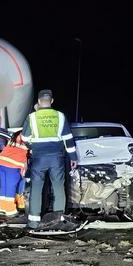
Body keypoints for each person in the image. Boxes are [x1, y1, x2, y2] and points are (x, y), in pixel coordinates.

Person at [21, 89, 78, 229]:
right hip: (56, 158)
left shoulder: (32, 117)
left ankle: (34, 221)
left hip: (39, 158)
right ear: (52, 101)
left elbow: (24, 138)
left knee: (36, 188)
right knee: (59, 187)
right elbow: (68, 139)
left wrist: (32, 144)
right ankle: (59, 220)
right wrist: (73, 157)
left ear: (39, 102)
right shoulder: (60, 116)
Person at [0, 130, 29, 217]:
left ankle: (2, 208)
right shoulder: (27, 136)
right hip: (13, 165)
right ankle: (10, 210)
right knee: (11, 187)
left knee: (4, 186)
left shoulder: (15, 136)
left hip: (1, 161)